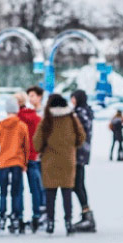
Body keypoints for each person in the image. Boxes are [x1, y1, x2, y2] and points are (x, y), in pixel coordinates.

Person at [32, 94, 86, 235]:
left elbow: (37, 143)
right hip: (68, 161)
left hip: (50, 162)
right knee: (66, 192)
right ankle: (68, 222)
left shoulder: (47, 121)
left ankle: (50, 223)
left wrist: (45, 149)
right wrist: (70, 147)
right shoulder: (71, 119)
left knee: (50, 193)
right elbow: (81, 137)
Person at [0, 96, 30, 234]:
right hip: (17, 163)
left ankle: (2, 217)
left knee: (3, 192)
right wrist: (25, 162)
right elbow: (26, 146)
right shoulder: (21, 126)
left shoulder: (1, 125)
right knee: (16, 192)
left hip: (3, 163)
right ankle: (15, 217)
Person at [19, 87, 45, 232]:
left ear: (40, 97)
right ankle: (40, 213)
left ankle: (43, 213)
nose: (31, 99)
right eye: (29, 96)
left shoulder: (43, 113)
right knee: (37, 185)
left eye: (33, 96)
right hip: (34, 154)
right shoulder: (30, 114)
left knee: (42, 186)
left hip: (42, 154)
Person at [71, 89, 96, 232]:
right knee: (78, 184)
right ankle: (86, 214)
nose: (72, 101)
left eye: (73, 98)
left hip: (78, 153)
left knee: (77, 184)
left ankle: (87, 216)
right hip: (83, 152)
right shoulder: (85, 112)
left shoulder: (80, 113)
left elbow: (79, 133)